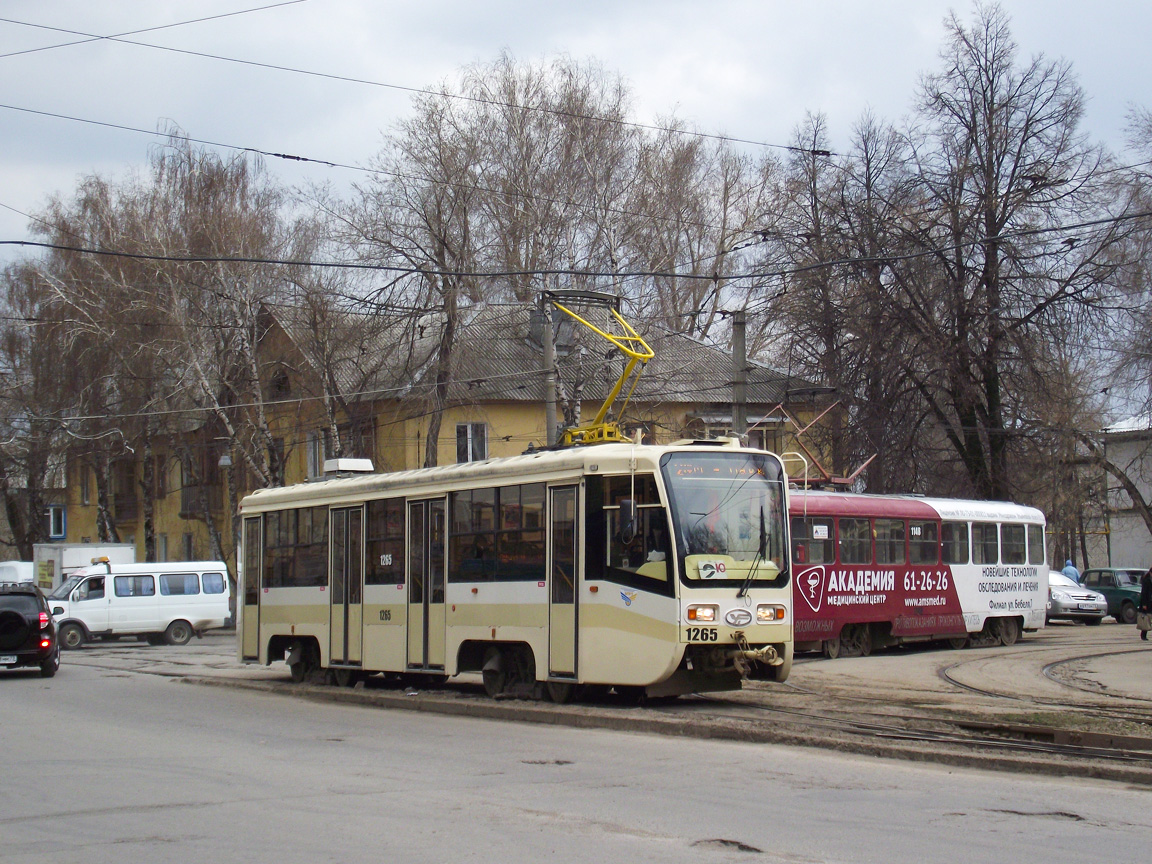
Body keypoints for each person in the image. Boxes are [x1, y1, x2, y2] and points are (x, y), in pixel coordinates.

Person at [1139, 568, 1152, 642]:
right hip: (1147, 603)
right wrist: (1144, 604)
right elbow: (1143, 593)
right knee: (1146, 619)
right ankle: (1143, 635)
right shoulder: (1146, 581)